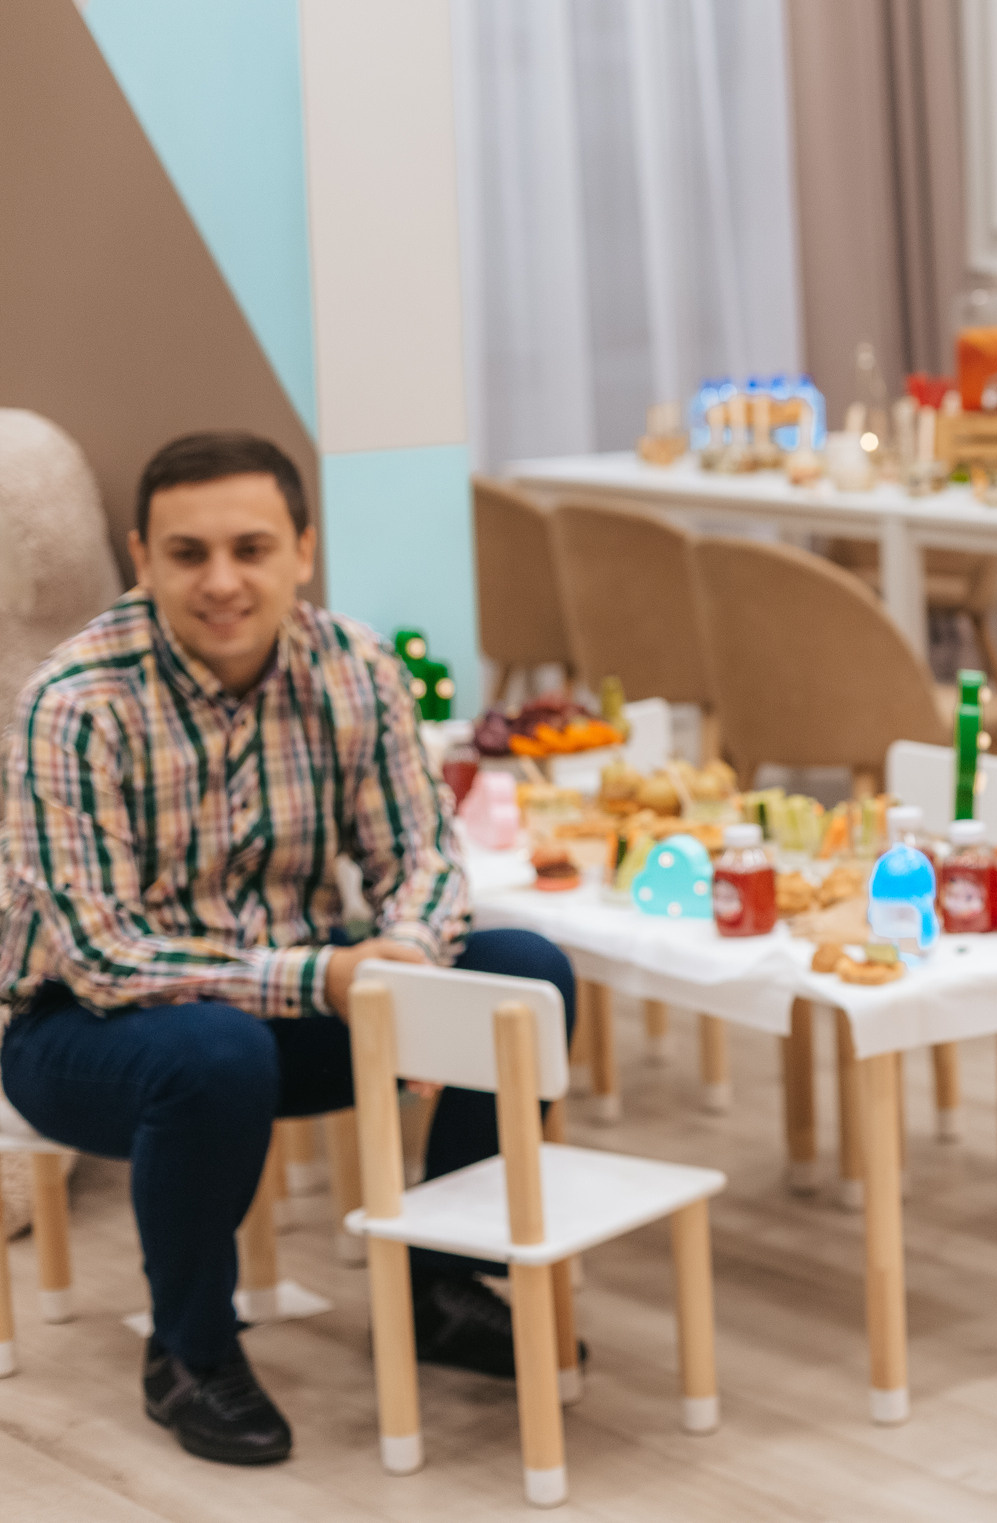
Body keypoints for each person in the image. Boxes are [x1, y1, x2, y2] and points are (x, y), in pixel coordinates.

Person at [0, 431, 577, 1467]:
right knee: (214, 1050)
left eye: (252, 548)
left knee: (524, 974)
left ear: (303, 550)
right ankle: (189, 1349)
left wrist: (406, 952)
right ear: (142, 557)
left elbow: (424, 859)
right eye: (189, 554)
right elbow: (102, 955)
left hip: (296, 1006)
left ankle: (438, 1285)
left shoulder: (355, 665)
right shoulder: (74, 699)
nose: (222, 581)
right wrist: (332, 975)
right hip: (84, 1035)